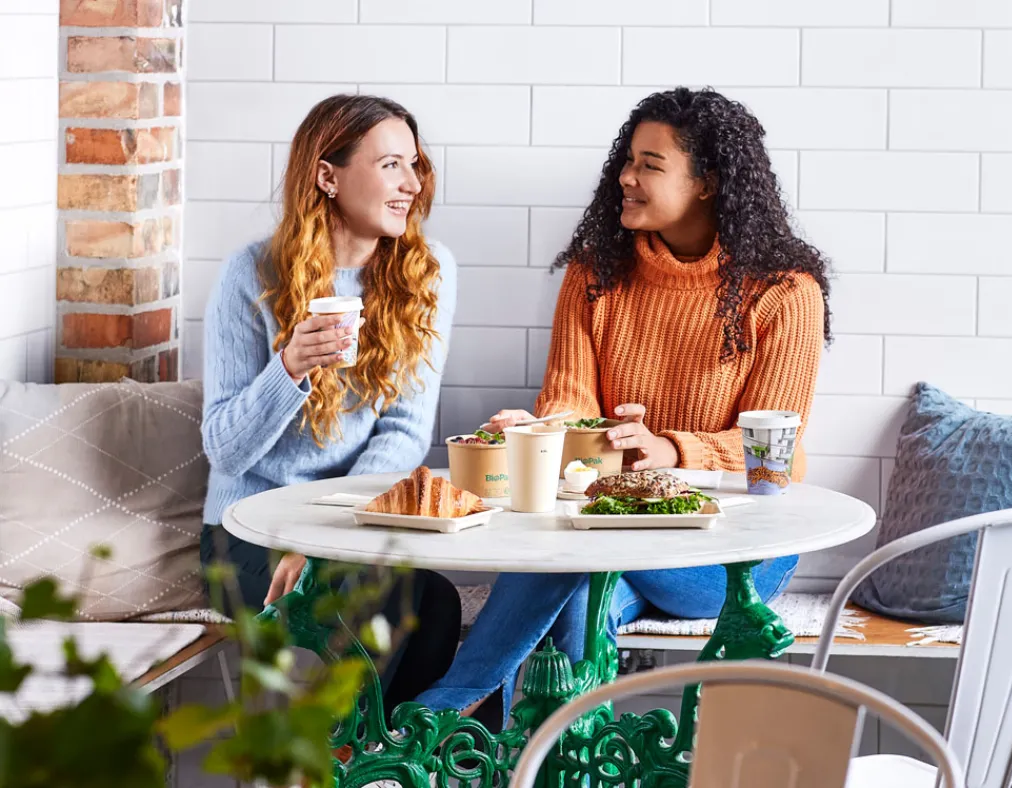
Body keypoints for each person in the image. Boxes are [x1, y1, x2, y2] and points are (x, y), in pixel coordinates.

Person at [416, 87, 832, 727]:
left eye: (649, 165)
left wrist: (671, 451)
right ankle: (561, 762)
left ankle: (445, 715)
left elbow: (778, 455)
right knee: (581, 599)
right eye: (627, 160)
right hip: (609, 528)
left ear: (708, 183)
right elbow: (570, 400)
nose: (625, 177)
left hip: (725, 556)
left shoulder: (783, 293)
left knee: (574, 553)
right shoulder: (596, 274)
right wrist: (544, 430)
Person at [199, 94, 461, 710]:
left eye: (416, 166)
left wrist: (329, 536)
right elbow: (226, 451)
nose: (412, 184)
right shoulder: (252, 272)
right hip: (246, 533)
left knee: (435, 602)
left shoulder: (428, 273)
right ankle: (356, 767)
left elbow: (404, 432)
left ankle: (363, 766)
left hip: (352, 530)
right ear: (328, 176)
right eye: (392, 165)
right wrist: (288, 367)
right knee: (387, 604)